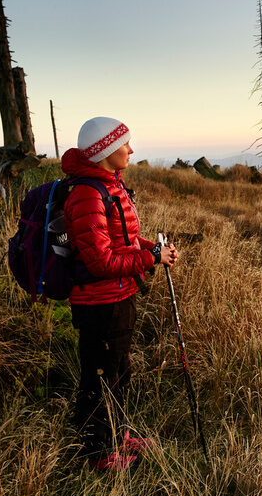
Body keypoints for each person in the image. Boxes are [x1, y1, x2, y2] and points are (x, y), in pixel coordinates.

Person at [61, 116, 178, 471]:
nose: (131, 149)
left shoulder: (109, 185)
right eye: (124, 144)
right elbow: (99, 261)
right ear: (106, 150)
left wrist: (152, 248)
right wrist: (151, 258)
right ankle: (96, 453)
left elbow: (121, 241)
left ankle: (117, 433)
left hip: (118, 296)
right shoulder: (86, 194)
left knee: (118, 371)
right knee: (100, 376)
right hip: (99, 303)